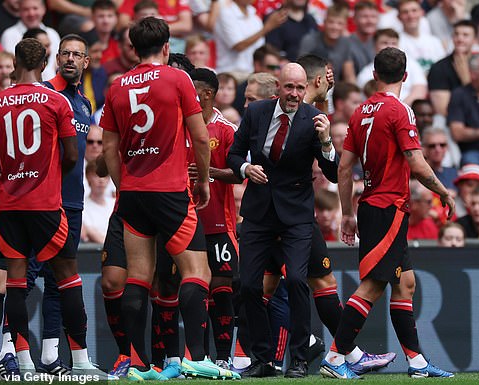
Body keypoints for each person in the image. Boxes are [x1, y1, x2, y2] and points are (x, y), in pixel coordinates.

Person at [100, 17, 235, 381]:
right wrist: (204, 182)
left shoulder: (116, 87)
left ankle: (139, 364)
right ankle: (198, 356)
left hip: (132, 193)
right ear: (165, 47)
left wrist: (123, 184)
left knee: (139, 277)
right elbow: (201, 135)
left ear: (132, 48)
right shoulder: (178, 79)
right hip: (171, 190)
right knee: (197, 272)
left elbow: (108, 148)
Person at [0, 38, 113, 379]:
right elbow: (69, 156)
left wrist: (15, 164)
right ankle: (66, 358)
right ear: (50, 59)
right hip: (48, 202)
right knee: (64, 278)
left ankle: (39, 359)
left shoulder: (78, 102)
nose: (71, 58)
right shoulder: (54, 98)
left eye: (78, 53)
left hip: (34, 202)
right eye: (65, 52)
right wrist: (41, 170)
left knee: (31, 283)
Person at [321, 47, 455, 379]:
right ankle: (335, 358)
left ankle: (418, 363)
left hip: (370, 206)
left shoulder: (359, 112)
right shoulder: (400, 111)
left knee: (405, 283)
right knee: (373, 285)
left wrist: (348, 213)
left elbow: (343, 169)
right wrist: (443, 191)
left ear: (374, 74)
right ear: (406, 76)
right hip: (389, 207)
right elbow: (417, 164)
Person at [227, 62, 337, 378]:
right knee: (248, 286)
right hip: (259, 213)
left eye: (300, 88)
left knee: (298, 282)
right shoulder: (256, 113)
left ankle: (300, 359)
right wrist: (246, 169)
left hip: (296, 216)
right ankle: (263, 359)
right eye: (289, 87)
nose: (294, 93)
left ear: (306, 89)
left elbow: (331, 171)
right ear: (278, 87)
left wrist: (327, 142)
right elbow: (233, 155)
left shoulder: (313, 120)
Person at [188, 68, 242, 373]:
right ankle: (199, 358)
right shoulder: (182, 126)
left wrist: (211, 174)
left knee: (222, 286)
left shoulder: (226, 130)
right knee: (195, 289)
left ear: (207, 93)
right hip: (186, 221)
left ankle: (223, 356)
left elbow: (239, 172)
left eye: (192, 89)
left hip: (219, 222)